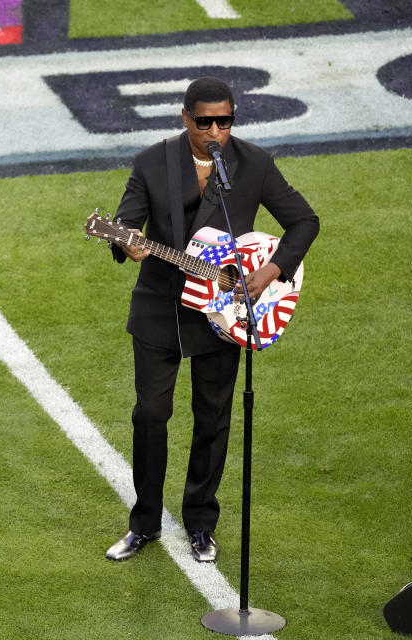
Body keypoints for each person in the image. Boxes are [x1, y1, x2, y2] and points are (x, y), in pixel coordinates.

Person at [104, 77, 319, 563]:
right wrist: (125, 243)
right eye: (205, 122)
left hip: (226, 309)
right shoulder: (151, 162)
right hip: (159, 308)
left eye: (225, 121)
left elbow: (304, 221)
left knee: (214, 419)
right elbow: (127, 223)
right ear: (186, 119)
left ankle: (201, 523)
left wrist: (269, 271)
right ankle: (144, 524)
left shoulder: (254, 164)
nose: (215, 131)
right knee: (150, 416)